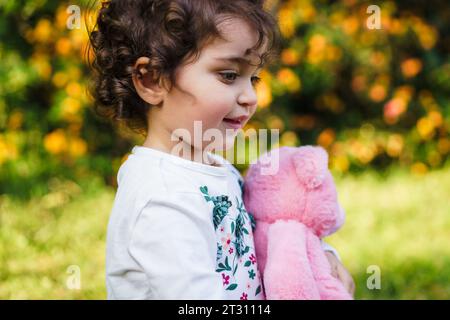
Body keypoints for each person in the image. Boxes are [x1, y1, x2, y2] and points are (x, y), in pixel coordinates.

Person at [87, 0, 355, 299]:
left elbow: (268, 232)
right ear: (152, 80)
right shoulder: (160, 197)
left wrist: (321, 256)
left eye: (253, 78)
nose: (251, 97)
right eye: (229, 75)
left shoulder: (218, 169)